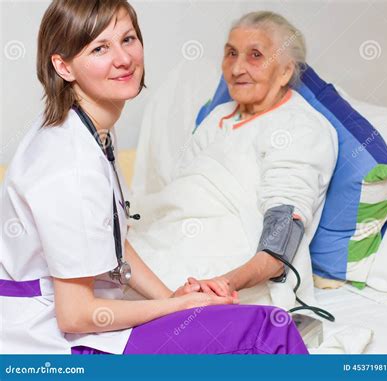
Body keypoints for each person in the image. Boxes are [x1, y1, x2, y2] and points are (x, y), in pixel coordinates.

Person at [0, 0, 308, 355]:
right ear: (63, 65)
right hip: (51, 345)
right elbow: (75, 315)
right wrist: (178, 308)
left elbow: (109, 239)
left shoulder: (89, 130)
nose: (123, 59)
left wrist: (173, 296)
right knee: (268, 330)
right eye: (100, 48)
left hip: (69, 325)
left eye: (128, 39)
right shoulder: (69, 164)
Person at [166, 11, 338, 304]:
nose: (236, 69)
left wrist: (222, 283)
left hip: (236, 264)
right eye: (231, 53)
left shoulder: (300, 128)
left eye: (255, 55)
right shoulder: (218, 116)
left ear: (285, 71)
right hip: (173, 238)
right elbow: (182, 193)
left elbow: (280, 241)